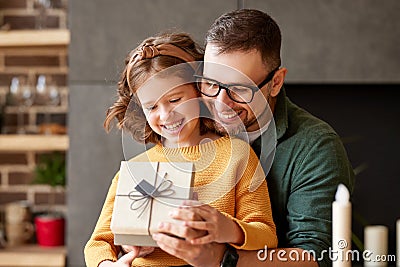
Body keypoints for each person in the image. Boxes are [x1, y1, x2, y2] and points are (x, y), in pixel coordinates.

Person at [151, 9, 355, 267]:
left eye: (238, 88)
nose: (220, 103)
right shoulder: (189, 121)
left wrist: (223, 260)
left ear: (276, 82)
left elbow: (316, 256)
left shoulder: (315, 147)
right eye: (211, 83)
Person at [84, 32, 278, 267]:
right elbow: (98, 243)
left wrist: (227, 229)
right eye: (152, 106)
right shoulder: (136, 169)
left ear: (199, 90)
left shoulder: (237, 156)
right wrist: (108, 264)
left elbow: (266, 234)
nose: (166, 115)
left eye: (176, 100)